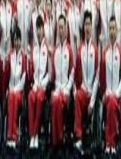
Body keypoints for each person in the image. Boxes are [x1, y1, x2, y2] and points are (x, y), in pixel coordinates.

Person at [74, 10, 99, 153]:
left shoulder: (95, 49)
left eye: (89, 24)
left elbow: (97, 78)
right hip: (83, 92)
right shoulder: (80, 50)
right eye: (86, 25)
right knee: (77, 96)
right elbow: (77, 75)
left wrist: (92, 102)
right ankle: (78, 137)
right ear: (83, 27)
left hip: (92, 95)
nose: (88, 27)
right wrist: (77, 89)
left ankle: (93, 137)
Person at [100, 16, 121, 156]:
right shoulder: (104, 53)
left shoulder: (120, 53)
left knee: (112, 102)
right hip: (107, 94)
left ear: (117, 30)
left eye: (114, 28)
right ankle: (110, 142)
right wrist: (104, 93)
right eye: (110, 28)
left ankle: (110, 142)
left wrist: (117, 92)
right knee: (109, 102)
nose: (111, 31)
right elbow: (101, 76)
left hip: (116, 95)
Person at [51, 14, 74, 150]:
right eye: (59, 28)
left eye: (62, 28)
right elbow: (53, 74)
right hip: (57, 88)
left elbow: (72, 73)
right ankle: (56, 139)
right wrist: (55, 88)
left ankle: (58, 139)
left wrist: (66, 89)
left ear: (66, 29)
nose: (61, 30)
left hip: (65, 89)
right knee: (54, 101)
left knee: (57, 102)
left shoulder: (69, 50)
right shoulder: (55, 51)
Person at [28, 15, 51, 150]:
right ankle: (32, 135)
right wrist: (35, 84)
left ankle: (35, 133)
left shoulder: (47, 48)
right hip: (35, 84)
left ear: (44, 30)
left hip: (43, 85)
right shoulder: (34, 48)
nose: (39, 31)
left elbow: (49, 72)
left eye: (40, 28)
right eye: (37, 29)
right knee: (31, 97)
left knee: (39, 98)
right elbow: (32, 70)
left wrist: (42, 83)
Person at [5, 25, 27, 150]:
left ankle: (13, 135)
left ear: (20, 40)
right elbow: (7, 75)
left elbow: (24, 77)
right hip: (11, 89)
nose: (17, 42)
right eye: (15, 40)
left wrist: (16, 89)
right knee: (10, 98)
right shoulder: (10, 55)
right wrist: (9, 88)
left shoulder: (23, 56)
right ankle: (10, 135)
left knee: (13, 97)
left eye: (18, 39)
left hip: (19, 91)